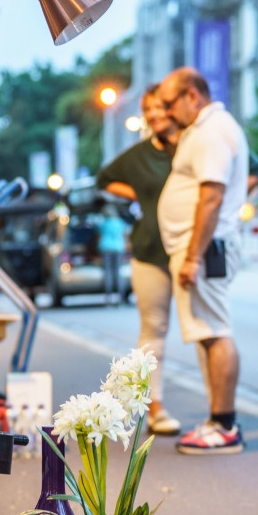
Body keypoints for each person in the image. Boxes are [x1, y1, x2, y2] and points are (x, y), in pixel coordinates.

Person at [156, 66, 250, 455]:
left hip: (207, 249)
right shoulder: (203, 129)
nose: (164, 111)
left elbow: (211, 197)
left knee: (215, 332)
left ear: (192, 95)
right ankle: (218, 420)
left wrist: (193, 255)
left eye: (168, 103)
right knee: (207, 334)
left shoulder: (212, 131)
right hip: (202, 248)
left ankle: (224, 425)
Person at [96, 84, 182, 434]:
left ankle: (218, 416)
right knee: (153, 331)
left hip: (192, 250)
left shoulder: (197, 145)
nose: (155, 115)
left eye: (161, 107)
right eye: (148, 110)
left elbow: (252, 170)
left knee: (206, 332)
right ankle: (155, 407)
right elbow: (104, 179)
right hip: (150, 250)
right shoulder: (139, 154)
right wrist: (142, 194)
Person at [94, 200, 129, 305]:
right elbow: (125, 236)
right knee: (118, 272)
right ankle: (120, 298)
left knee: (108, 273)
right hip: (118, 248)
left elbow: (98, 236)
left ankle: (108, 298)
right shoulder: (120, 223)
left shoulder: (103, 223)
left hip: (105, 248)